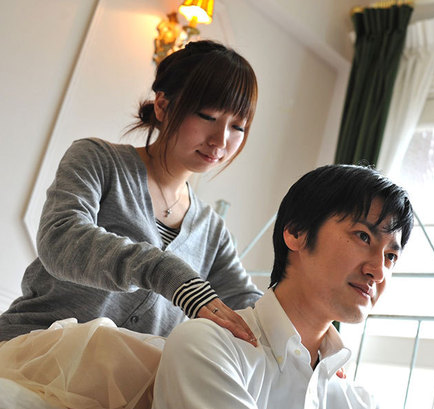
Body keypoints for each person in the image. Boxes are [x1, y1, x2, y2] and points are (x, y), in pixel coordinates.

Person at [0, 40, 262, 344]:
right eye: (207, 116)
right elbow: (60, 238)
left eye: (238, 127)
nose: (221, 140)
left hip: (124, 375)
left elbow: (250, 306)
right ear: (163, 106)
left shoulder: (213, 232)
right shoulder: (97, 159)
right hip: (33, 349)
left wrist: (298, 333)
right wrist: (164, 271)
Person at [152, 164, 414, 409]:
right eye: (363, 237)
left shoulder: (359, 403)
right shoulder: (208, 346)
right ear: (297, 233)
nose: (378, 271)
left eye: (391, 256)